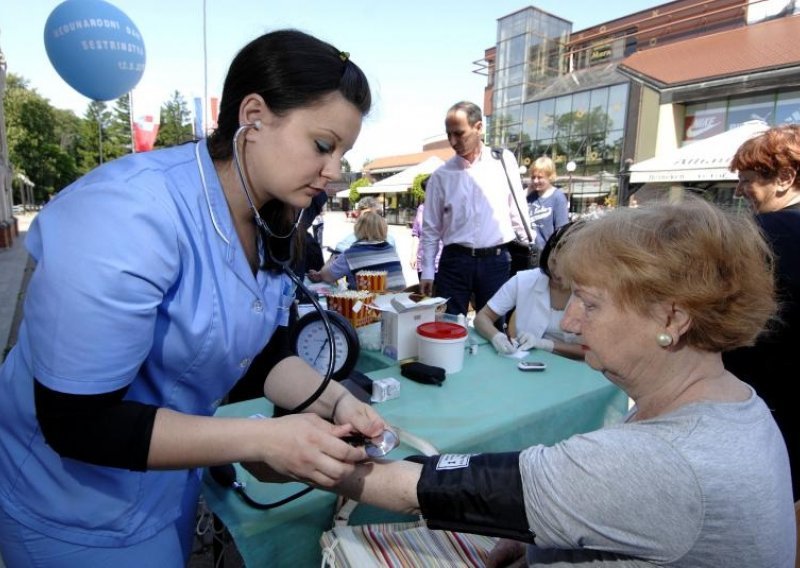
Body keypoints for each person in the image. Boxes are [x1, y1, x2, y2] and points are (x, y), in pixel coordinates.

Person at [0, 29, 388, 566]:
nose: (334, 171)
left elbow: (256, 351)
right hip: (74, 514)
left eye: (344, 152)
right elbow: (76, 422)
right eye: (323, 145)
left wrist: (335, 399)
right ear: (252, 115)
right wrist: (261, 441)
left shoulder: (269, 219)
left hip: (167, 490)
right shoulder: (127, 214)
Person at [316, 198, 796, 566]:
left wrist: (307, 456)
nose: (568, 322)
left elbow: (428, 487)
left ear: (671, 317)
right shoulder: (736, 405)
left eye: (589, 303)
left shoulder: (665, 462)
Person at [723, 123, 800, 502]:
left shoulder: (760, 234)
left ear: (785, 178)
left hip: (758, 398)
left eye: (747, 179)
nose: (739, 190)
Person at [420, 101, 530, 317]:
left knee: (494, 327)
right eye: (449, 134)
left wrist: (530, 249)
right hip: (454, 261)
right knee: (449, 325)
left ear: (479, 128)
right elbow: (431, 228)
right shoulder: (441, 176)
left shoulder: (503, 161)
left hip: (496, 260)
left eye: (459, 134)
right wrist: (427, 272)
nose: (453, 141)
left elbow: (517, 208)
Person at [475, 221, 585, 360]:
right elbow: (482, 318)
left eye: (565, 268)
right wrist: (496, 336)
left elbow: (595, 351)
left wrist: (547, 345)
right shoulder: (524, 280)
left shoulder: (593, 294)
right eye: (554, 261)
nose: (556, 272)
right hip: (527, 366)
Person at [308, 211, 405, 291]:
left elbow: (326, 276)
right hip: (397, 304)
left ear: (358, 229)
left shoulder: (353, 253)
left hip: (369, 309)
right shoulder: (390, 250)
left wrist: (332, 258)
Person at [514, 156, 568, 275]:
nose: (536, 181)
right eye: (533, 177)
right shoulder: (529, 196)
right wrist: (527, 191)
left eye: (540, 177)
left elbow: (562, 231)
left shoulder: (557, 197)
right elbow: (512, 206)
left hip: (545, 255)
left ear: (550, 177)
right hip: (525, 253)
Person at [409, 176, 442, 282]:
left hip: (442, 263)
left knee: (441, 297)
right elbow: (416, 234)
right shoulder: (421, 209)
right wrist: (413, 255)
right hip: (423, 262)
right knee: (425, 296)